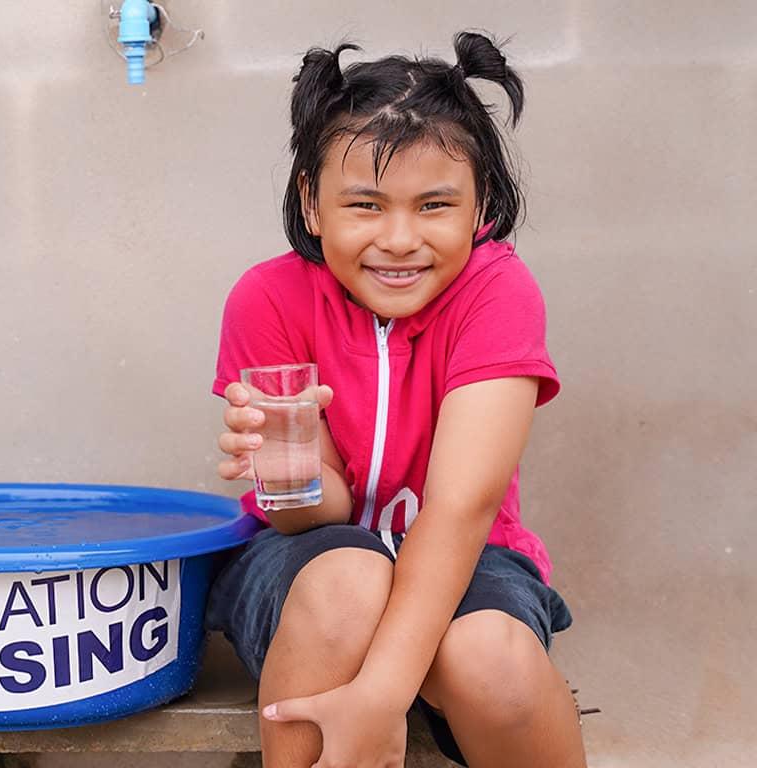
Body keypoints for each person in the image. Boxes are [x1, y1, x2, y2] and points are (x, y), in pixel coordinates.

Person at [205, 30, 587, 768]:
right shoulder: (269, 298)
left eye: (435, 204)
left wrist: (379, 697)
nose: (401, 239)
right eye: (367, 205)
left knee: (492, 659)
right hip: (312, 567)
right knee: (349, 578)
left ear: (481, 207)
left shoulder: (496, 291)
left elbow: (463, 507)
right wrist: (282, 462)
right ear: (313, 205)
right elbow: (323, 514)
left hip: (471, 555)